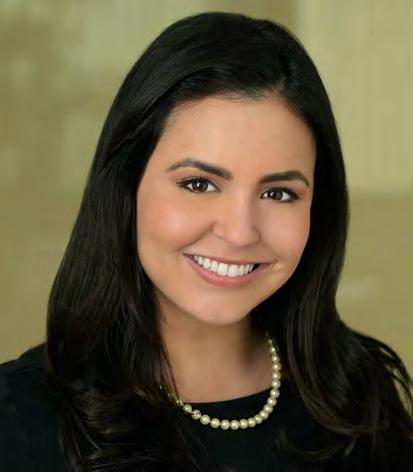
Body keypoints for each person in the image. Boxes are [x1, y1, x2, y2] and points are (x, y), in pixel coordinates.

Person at [1, 11, 412, 472]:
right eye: (198, 184)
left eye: (279, 193)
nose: (239, 232)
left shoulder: (359, 397)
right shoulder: (18, 424)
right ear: (126, 188)